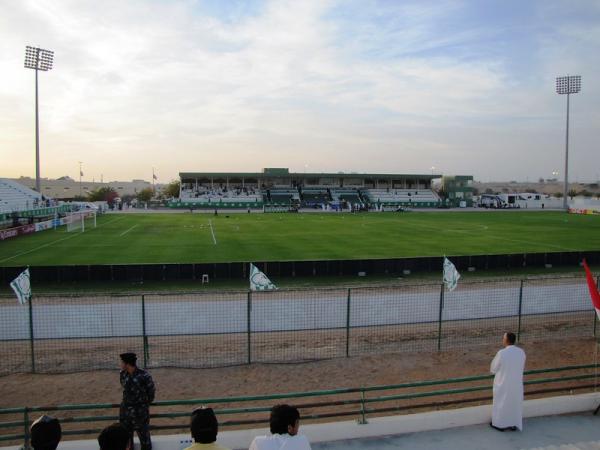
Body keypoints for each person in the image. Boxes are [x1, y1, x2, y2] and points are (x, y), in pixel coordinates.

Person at [119, 352, 156, 450]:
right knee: (127, 442)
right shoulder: (122, 374)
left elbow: (151, 394)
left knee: (145, 442)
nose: (121, 364)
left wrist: (142, 405)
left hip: (140, 415)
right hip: (125, 415)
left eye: (122, 362)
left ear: (127, 364)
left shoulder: (144, 376)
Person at [490, 332, 526, 431]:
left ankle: (499, 424)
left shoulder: (502, 353)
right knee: (513, 403)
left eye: (503, 338)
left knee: (501, 403)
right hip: (517, 383)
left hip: (503, 383)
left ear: (506, 340)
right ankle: (513, 423)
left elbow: (493, 368)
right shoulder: (521, 352)